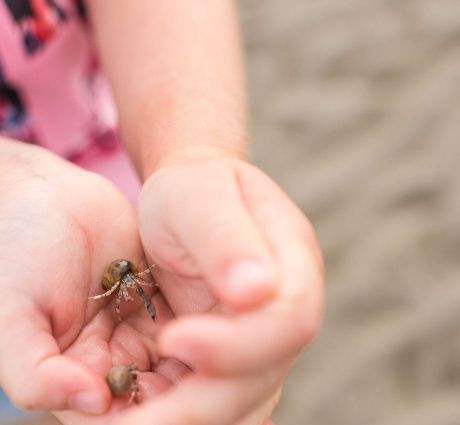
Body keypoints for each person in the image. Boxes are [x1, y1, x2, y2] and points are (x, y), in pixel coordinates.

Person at [0, 1, 324, 424]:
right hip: (26, 246)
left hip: (130, 198)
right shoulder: (116, 286)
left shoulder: (131, 268)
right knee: (42, 375)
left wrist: (190, 153)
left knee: (73, 379)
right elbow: (110, 293)